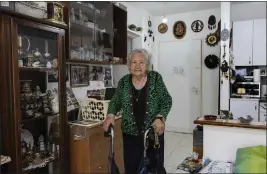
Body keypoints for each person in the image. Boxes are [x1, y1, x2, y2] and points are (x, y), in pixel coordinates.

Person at [103, 48, 172, 174]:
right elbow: (115, 101)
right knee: (132, 168)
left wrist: (160, 117)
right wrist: (111, 115)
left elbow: (166, 100)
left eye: (141, 62)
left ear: (147, 64)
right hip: (130, 136)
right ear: (129, 66)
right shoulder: (124, 81)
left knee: (153, 168)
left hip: (153, 134)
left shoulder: (156, 78)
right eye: (134, 62)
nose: (137, 66)